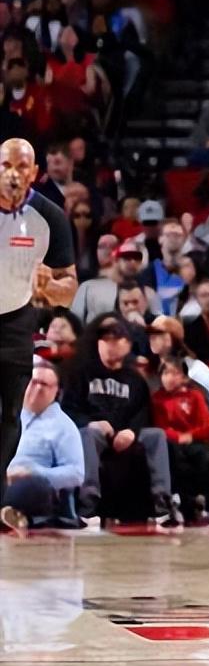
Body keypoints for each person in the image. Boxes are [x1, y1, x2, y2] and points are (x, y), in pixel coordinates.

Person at [0, 138, 76, 492]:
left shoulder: (51, 217)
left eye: (21, 167)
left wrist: (49, 287)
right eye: (6, 166)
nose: (13, 174)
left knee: (9, 417)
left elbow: (69, 289)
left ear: (34, 173)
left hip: (17, 321)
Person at [61, 314, 180, 527]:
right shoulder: (80, 374)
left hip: (126, 433)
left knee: (156, 436)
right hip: (95, 434)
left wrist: (131, 431)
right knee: (89, 433)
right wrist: (90, 422)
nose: (110, 344)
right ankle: (88, 505)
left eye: (116, 340)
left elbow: (143, 414)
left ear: (127, 345)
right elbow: (68, 409)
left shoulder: (135, 380)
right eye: (105, 340)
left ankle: (162, 503)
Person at [0, 364, 83, 536]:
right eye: (33, 382)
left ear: (56, 391)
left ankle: (9, 512)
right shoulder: (8, 415)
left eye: (44, 385)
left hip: (30, 486)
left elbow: (76, 474)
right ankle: (8, 514)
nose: (37, 388)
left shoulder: (64, 427)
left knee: (33, 486)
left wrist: (34, 472)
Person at [149, 354, 209, 522]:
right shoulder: (157, 399)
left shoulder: (195, 396)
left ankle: (208, 504)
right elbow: (159, 427)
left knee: (202, 455)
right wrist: (178, 437)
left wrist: (190, 436)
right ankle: (183, 504)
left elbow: (208, 425)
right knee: (174, 455)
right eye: (165, 373)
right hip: (171, 443)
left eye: (175, 373)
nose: (169, 378)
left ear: (184, 377)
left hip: (194, 441)